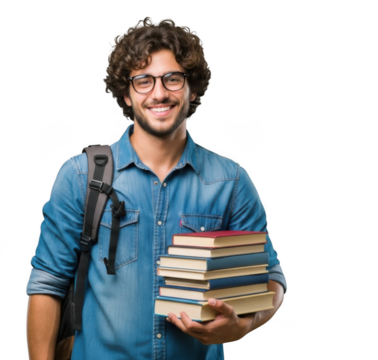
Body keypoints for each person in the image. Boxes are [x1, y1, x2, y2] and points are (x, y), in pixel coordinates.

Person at [26, 17, 288, 360]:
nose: (159, 93)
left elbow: (270, 279)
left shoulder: (231, 182)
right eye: (143, 81)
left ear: (192, 88)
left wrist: (244, 324)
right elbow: (47, 284)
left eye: (172, 79)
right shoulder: (81, 175)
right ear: (126, 93)